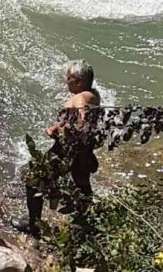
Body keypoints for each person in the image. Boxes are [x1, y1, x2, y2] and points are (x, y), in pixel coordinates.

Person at [15, 60, 101, 237]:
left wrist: (72, 129)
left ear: (78, 81)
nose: (66, 82)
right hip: (84, 152)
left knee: (33, 178)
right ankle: (87, 228)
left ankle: (34, 225)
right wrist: (57, 126)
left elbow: (82, 115)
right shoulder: (93, 94)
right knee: (82, 187)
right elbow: (73, 118)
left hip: (67, 151)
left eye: (68, 78)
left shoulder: (81, 97)